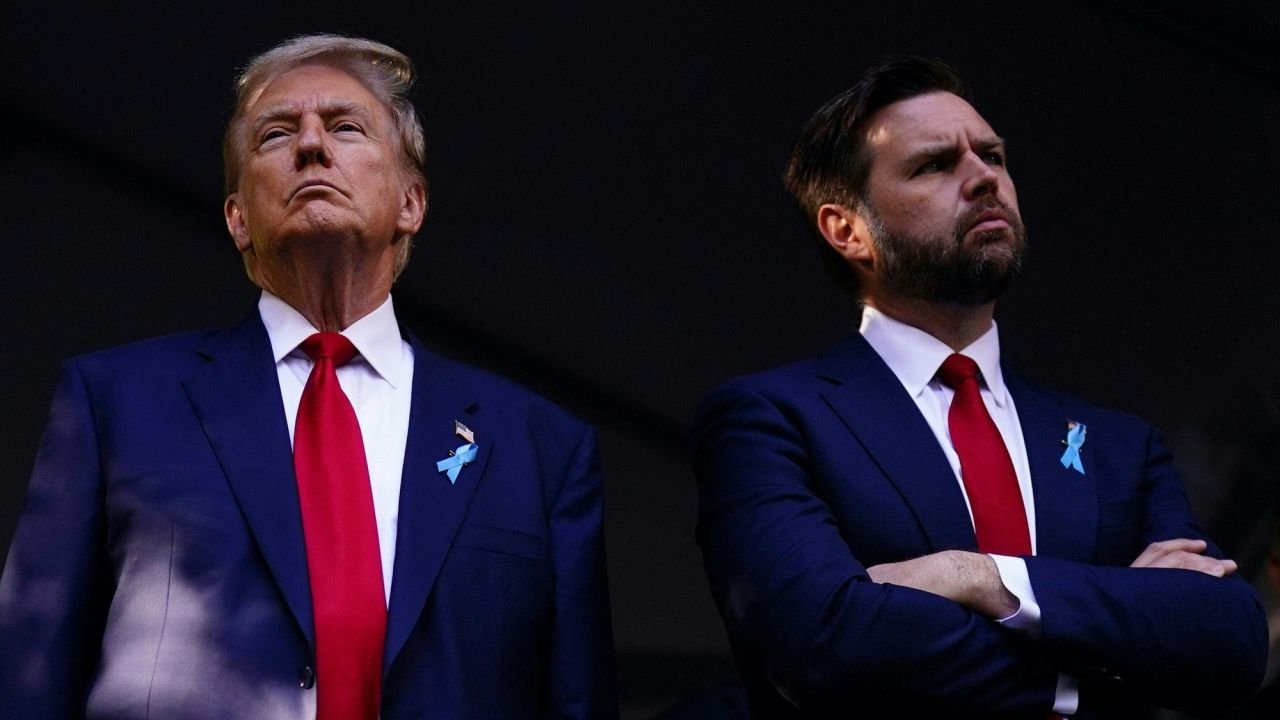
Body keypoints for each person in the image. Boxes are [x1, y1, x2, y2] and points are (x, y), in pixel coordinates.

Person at [0, 34, 616, 719]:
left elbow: (577, 699)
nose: (312, 146)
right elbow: (27, 677)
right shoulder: (114, 403)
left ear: (411, 203)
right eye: (276, 134)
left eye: (346, 127)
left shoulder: (541, 448)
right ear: (237, 218)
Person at [691, 56, 1267, 718]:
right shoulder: (769, 419)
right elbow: (821, 644)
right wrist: (1108, 646)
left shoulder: (1120, 447)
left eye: (992, 155)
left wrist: (978, 576)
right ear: (846, 230)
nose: (984, 177)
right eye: (935, 165)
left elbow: (1232, 639)